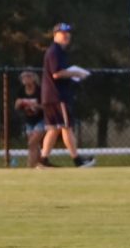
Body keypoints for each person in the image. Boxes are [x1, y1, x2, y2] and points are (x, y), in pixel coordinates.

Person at [38, 23, 94, 168]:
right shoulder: (55, 51)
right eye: (63, 33)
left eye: (68, 33)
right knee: (66, 127)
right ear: (55, 35)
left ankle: (43, 160)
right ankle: (77, 160)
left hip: (50, 96)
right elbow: (57, 73)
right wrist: (76, 73)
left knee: (54, 129)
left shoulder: (58, 52)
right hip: (57, 96)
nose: (66, 35)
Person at [14, 69, 45, 167]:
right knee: (34, 145)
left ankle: (30, 166)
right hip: (29, 121)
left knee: (31, 143)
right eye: (24, 77)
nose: (26, 79)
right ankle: (40, 164)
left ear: (34, 78)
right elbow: (16, 106)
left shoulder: (40, 90)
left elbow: (46, 106)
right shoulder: (21, 90)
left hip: (41, 120)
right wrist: (19, 104)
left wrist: (36, 106)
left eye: (28, 76)